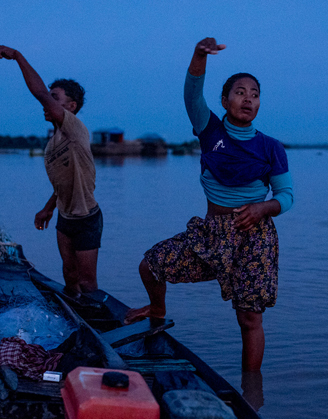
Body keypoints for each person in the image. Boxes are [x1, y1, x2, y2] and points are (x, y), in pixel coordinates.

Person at [125, 38, 295, 380]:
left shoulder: (271, 147)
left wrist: (263, 209)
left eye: (255, 94)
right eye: (240, 92)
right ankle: (157, 308)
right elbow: (191, 95)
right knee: (150, 265)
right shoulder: (210, 130)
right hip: (212, 233)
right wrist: (199, 55)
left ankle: (251, 391)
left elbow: (287, 196)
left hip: (254, 237)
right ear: (224, 100)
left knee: (249, 318)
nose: (248, 98)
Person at [0, 40, 102, 297]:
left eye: (55, 98)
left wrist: (17, 56)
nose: (46, 103)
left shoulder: (75, 128)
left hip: (86, 218)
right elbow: (62, 181)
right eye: (49, 98)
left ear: (71, 107)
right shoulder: (53, 143)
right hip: (65, 218)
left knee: (87, 282)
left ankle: (95, 324)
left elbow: (39, 92)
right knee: (70, 277)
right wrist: (48, 208)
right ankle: (74, 316)